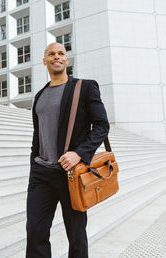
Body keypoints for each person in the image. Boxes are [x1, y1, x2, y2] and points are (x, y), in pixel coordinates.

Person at [26, 42, 110, 258]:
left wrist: (79, 153)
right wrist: (33, 166)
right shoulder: (40, 96)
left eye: (61, 53)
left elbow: (102, 125)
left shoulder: (85, 87)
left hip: (72, 174)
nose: (57, 56)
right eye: (51, 54)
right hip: (41, 174)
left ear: (67, 59)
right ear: (44, 61)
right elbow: (39, 135)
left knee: (76, 234)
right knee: (35, 231)